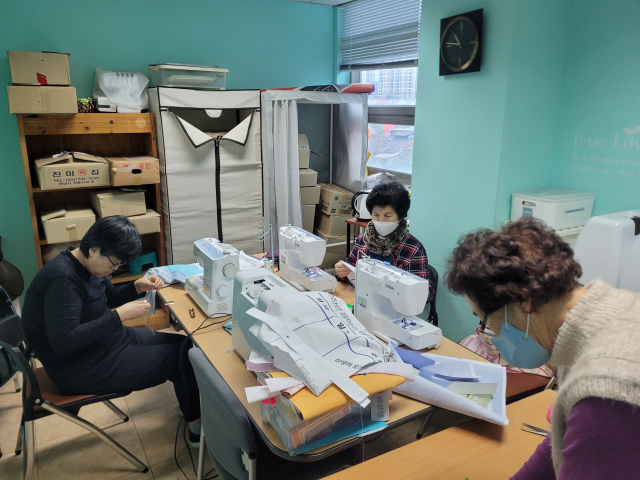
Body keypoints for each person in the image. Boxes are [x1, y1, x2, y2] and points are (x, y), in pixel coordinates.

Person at [446, 217, 640, 479]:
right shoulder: (592, 322)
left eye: (485, 319)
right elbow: (562, 441)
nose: (488, 330)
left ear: (524, 303)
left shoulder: (606, 387)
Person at [21, 216, 203, 446]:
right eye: (113, 264)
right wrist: (119, 316)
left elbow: (110, 297)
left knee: (185, 345)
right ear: (94, 250)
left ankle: (189, 404)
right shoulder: (62, 278)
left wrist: (136, 287)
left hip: (105, 342)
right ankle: (196, 428)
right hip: (79, 367)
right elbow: (64, 341)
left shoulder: (88, 265)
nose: (114, 270)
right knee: (179, 359)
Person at [334, 181, 433, 300]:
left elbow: (426, 293)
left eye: (387, 216)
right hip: (363, 299)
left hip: (393, 306)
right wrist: (341, 272)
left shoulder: (412, 248)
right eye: (376, 215)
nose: (381, 220)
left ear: (400, 216)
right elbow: (347, 271)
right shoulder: (364, 239)